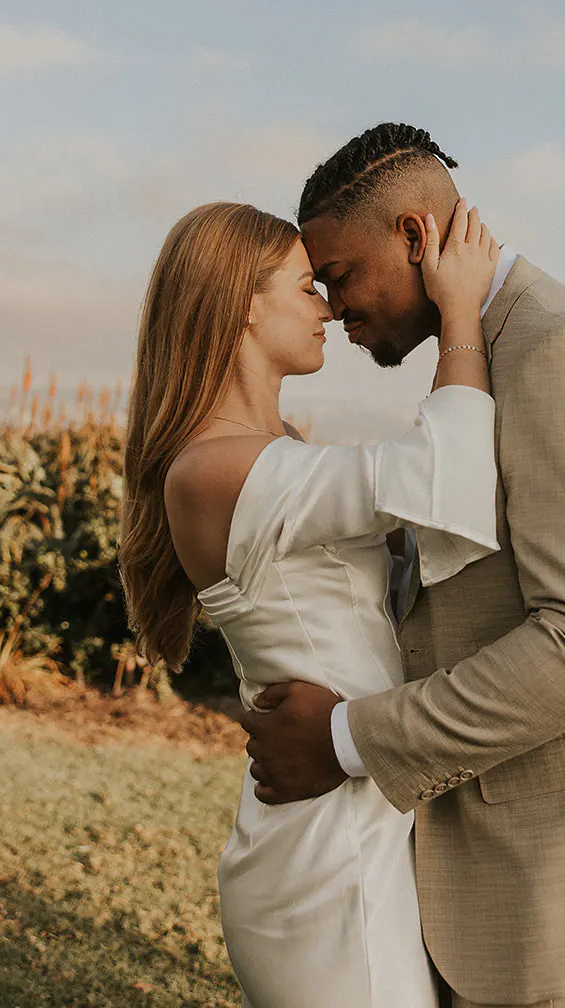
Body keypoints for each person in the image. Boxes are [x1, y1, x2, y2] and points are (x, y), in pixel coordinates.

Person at [241, 122, 565, 1008]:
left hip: (559, 878)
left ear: (414, 235)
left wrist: (344, 740)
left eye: (341, 275)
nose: (334, 307)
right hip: (495, 865)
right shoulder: (486, 348)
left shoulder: (556, 350)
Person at [119, 196, 502, 1008]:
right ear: (241, 305)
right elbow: (444, 477)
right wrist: (460, 312)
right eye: (305, 288)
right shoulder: (215, 471)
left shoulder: (275, 454)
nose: (327, 309)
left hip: (351, 824)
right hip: (327, 863)